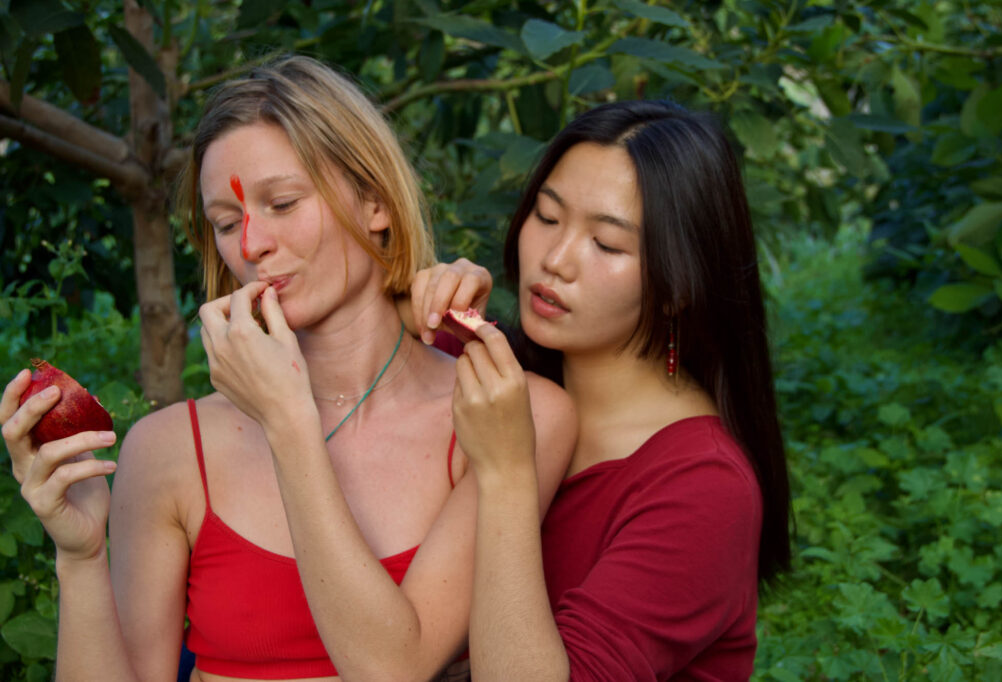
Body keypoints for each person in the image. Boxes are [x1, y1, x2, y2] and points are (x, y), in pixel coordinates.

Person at [0, 55, 575, 682]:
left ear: (376, 201)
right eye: (225, 222)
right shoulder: (168, 449)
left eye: (282, 202)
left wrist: (287, 419)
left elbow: (393, 668)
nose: (250, 246)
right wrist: (80, 558)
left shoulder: (510, 416)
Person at [408, 100, 792, 680]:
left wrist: (510, 472)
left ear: (679, 284)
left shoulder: (705, 489)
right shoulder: (497, 374)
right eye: (546, 216)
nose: (555, 260)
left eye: (607, 245)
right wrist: (421, 308)